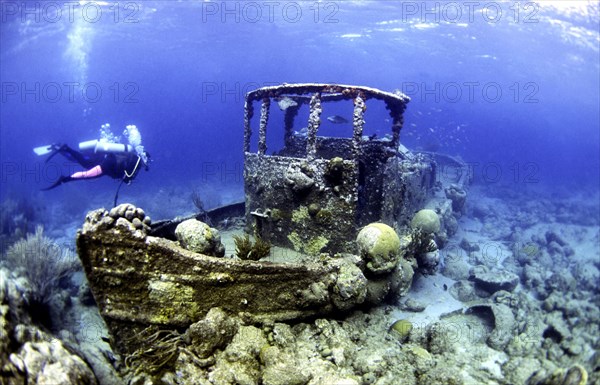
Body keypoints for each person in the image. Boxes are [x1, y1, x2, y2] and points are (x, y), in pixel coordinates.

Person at [41, 124, 150, 190]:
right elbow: (127, 176)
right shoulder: (138, 161)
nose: (147, 163)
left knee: (81, 160)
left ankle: (60, 148)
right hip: (108, 164)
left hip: (107, 160)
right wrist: (128, 181)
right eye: (147, 160)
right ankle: (64, 179)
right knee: (88, 173)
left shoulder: (135, 159)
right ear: (144, 156)